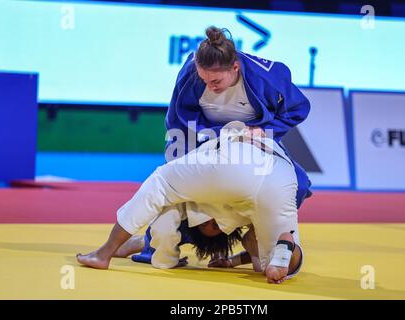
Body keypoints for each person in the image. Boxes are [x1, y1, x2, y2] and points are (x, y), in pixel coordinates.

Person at [132, 25, 311, 264]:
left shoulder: (266, 75)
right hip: (205, 139)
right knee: (171, 188)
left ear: (235, 67)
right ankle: (152, 246)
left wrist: (265, 132)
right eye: (203, 79)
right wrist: (177, 162)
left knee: (298, 184)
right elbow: (177, 118)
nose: (209, 86)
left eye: (215, 80)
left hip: (253, 139)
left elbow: (299, 107)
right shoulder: (190, 73)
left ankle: (258, 238)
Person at [77, 121, 308, 284]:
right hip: (282, 175)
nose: (212, 224)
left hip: (239, 161)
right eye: (215, 226)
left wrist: (165, 260)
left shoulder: (193, 197)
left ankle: (102, 254)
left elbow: (164, 227)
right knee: (272, 263)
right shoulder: (236, 222)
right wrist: (236, 259)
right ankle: (286, 249)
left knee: (160, 183)